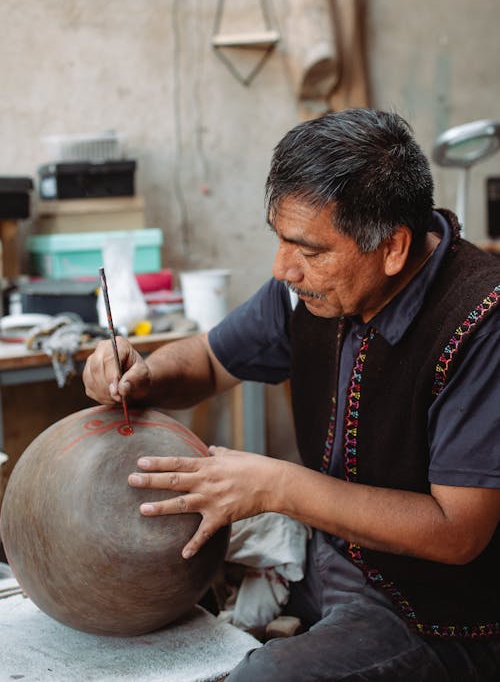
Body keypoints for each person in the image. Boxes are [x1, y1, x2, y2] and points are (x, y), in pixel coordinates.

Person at [83, 108, 500, 681]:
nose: (284, 268)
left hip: (436, 609)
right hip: (328, 560)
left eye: (308, 249)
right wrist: (143, 374)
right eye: (280, 241)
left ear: (394, 247)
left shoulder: (480, 324)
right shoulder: (312, 290)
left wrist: (278, 486)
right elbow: (208, 359)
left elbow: (458, 532)